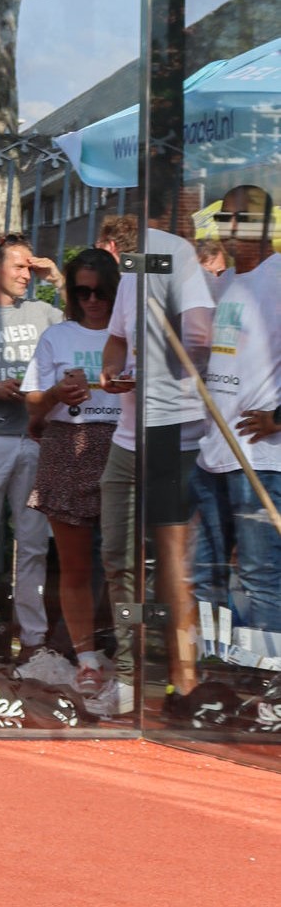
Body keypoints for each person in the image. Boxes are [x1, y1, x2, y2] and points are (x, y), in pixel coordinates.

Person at [99, 183, 214, 716]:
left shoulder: (178, 252)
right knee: (120, 556)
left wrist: (170, 366)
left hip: (172, 428)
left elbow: (201, 335)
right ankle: (130, 674)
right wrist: (112, 368)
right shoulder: (136, 263)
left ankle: (182, 678)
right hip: (129, 434)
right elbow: (119, 336)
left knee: (171, 560)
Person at [20, 248, 122, 711]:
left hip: (122, 446)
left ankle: (132, 657)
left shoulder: (130, 334)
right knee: (76, 566)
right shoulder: (57, 336)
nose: (93, 301)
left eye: (101, 292)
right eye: (82, 292)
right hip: (68, 445)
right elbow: (33, 409)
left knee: (125, 565)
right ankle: (86, 657)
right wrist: (59, 393)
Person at [0, 232, 62, 667]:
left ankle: (34, 639)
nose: (26, 274)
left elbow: (93, 327)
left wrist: (57, 277)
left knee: (34, 545)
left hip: (35, 440)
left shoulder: (44, 312)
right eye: (18, 266)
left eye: (29, 266)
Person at [191, 186, 280, 656]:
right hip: (213, 456)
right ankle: (215, 671)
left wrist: (279, 418)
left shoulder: (279, 277)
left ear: (264, 225)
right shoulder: (225, 284)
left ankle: (268, 684)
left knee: (261, 577)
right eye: (222, 219)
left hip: (260, 460)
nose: (226, 228)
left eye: (236, 218)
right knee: (205, 576)